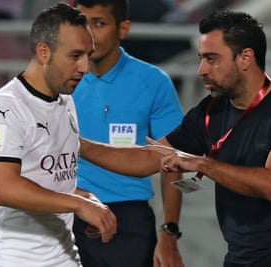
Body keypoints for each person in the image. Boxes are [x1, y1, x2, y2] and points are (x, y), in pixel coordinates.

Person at [78, 10, 271, 267]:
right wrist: (78, 144)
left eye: (212, 59)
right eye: (201, 59)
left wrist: (202, 164)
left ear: (245, 58)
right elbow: (144, 159)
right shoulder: (209, 111)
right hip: (238, 259)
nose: (201, 70)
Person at [0, 3, 117, 267]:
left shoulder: (65, 102)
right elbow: (4, 188)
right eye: (75, 55)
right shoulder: (3, 109)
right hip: (7, 259)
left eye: (87, 55)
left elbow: (47, 177)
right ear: (44, 52)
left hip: (62, 255)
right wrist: (77, 204)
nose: (85, 67)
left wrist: (86, 200)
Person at [72, 1, 184, 267]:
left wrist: (169, 232)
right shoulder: (59, 80)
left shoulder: (154, 82)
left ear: (123, 28)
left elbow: (173, 162)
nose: (89, 34)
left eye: (99, 23)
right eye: (82, 23)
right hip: (67, 210)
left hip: (128, 221)